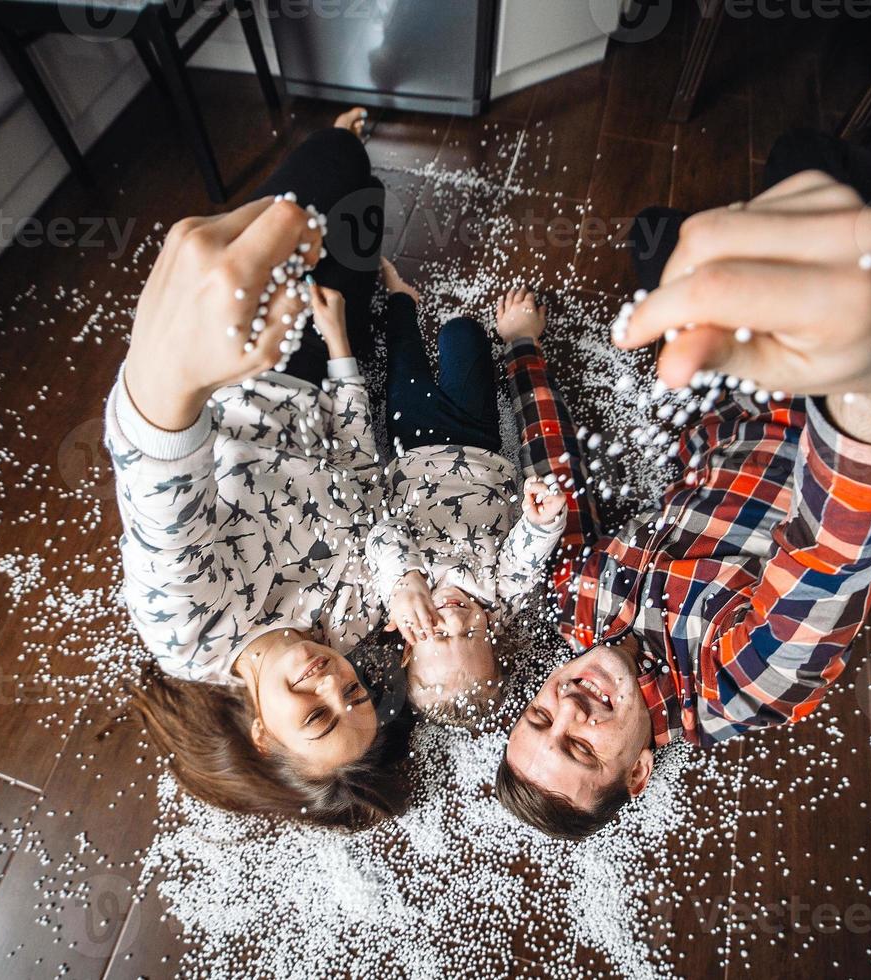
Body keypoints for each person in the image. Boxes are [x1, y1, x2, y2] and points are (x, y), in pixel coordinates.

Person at [494, 131, 871, 840]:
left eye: (540, 719)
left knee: (655, 236)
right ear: (639, 771)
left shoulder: (576, 607)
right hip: (819, 405)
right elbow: (836, 554)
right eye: (581, 748)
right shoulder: (737, 682)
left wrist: (523, 349)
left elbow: (554, 479)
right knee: (806, 167)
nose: (570, 707)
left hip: (722, 406)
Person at [107, 109, 410, 829]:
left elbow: (158, 489)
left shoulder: (188, 631)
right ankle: (346, 156)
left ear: (262, 734)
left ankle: (331, 147)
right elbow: (361, 470)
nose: (331, 685)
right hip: (319, 366)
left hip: (237, 356)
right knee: (366, 204)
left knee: (334, 165)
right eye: (356, 698)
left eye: (316, 720)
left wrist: (169, 380)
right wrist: (340, 348)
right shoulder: (354, 613)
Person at [366, 264, 567, 729]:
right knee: (463, 333)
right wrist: (541, 523)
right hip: (478, 443)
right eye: (471, 633)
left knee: (403, 355)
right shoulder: (500, 594)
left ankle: (402, 298)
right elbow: (526, 556)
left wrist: (405, 579)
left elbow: (384, 532)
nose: (455, 620)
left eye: (436, 632)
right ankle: (465, 332)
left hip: (411, 444)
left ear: (409, 644)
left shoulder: (397, 595)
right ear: (493, 631)